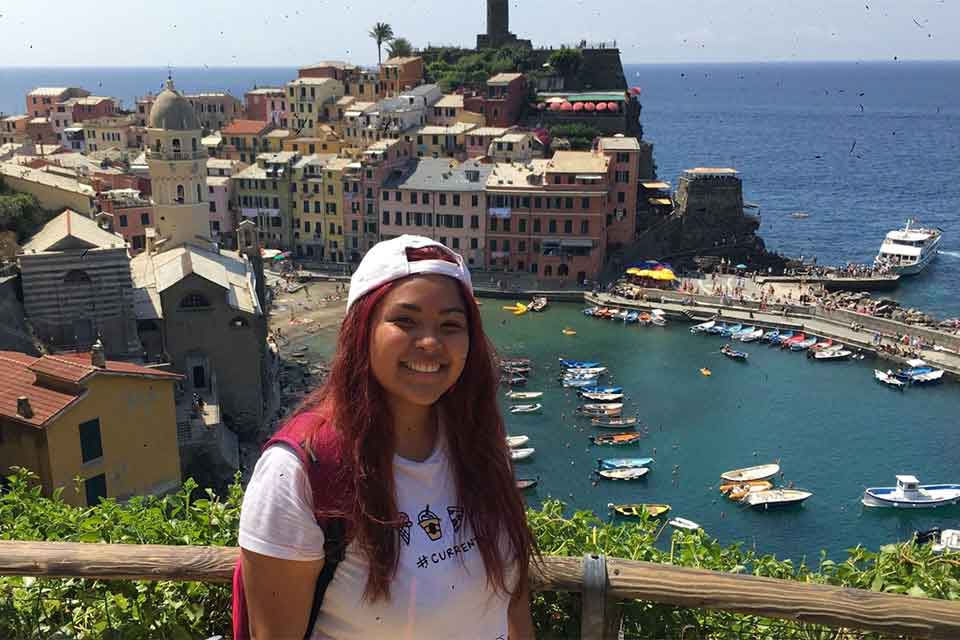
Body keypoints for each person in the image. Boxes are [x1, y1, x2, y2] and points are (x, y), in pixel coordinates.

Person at [239, 235, 536, 639]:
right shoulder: (297, 471)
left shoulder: (480, 444)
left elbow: (512, 605)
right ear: (362, 329)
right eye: (405, 321)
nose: (430, 343)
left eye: (451, 325)